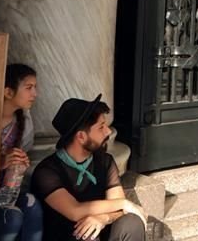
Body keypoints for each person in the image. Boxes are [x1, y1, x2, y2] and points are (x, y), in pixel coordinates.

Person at [31, 95, 146, 240]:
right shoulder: (47, 171)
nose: (108, 131)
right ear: (81, 137)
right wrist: (124, 203)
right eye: (101, 127)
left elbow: (119, 209)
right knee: (86, 234)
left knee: (131, 223)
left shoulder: (105, 161)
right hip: (71, 237)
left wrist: (103, 218)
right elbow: (75, 211)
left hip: (101, 233)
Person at [0, 64, 43, 241]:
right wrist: (0, 163)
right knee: (12, 217)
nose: (35, 94)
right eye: (29, 87)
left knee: (32, 205)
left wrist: (20, 162)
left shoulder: (23, 122)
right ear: (8, 92)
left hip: (6, 191)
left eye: (35, 88)